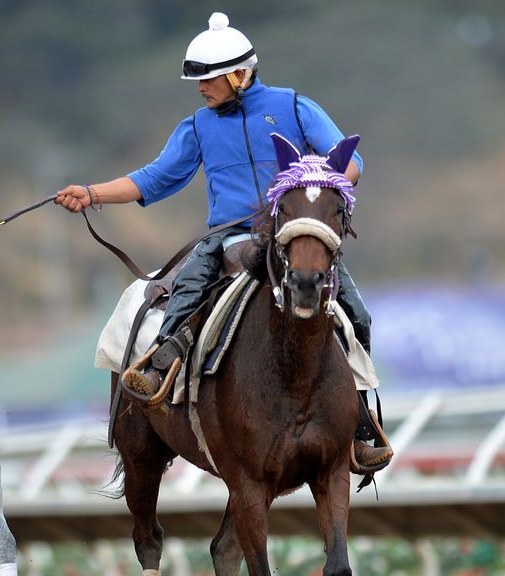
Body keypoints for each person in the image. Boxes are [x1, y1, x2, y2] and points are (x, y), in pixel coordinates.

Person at [56, 11, 391, 470]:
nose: (200, 87)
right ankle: (160, 368)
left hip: (292, 236)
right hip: (225, 237)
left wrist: (319, 184)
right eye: (197, 80)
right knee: (185, 290)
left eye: (208, 78)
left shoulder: (294, 106)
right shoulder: (197, 126)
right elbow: (154, 179)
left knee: (358, 315)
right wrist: (93, 193)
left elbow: (351, 163)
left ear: (240, 74)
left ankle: (360, 424)